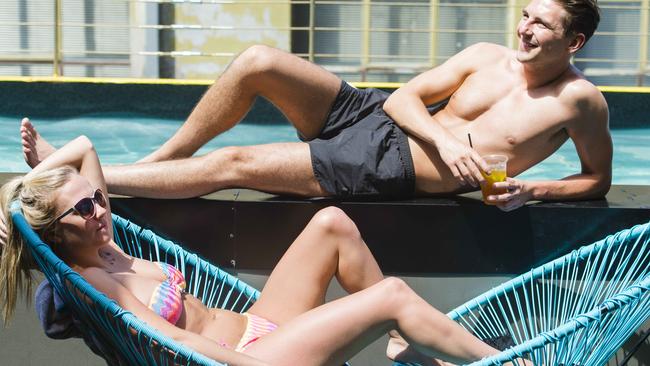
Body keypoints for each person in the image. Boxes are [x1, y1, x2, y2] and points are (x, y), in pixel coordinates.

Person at [21, 0, 611, 212]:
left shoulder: (581, 103)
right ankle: (156, 163)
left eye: (543, 23)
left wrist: (533, 191)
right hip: (379, 118)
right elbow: (406, 96)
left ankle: (82, 178)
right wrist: (449, 141)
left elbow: (596, 180)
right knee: (257, 60)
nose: (525, 28)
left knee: (238, 165)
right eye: (526, 14)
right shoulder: (486, 54)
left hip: (392, 169)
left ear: (574, 42)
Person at [0, 136, 533, 366]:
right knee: (391, 294)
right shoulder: (90, 280)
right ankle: (503, 364)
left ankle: (403, 346)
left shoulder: (107, 241)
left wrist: (5, 203)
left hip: (258, 328)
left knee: (331, 223)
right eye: (85, 209)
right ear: (55, 234)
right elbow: (169, 338)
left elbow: (87, 147)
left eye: (97, 198)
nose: (99, 209)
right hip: (247, 361)